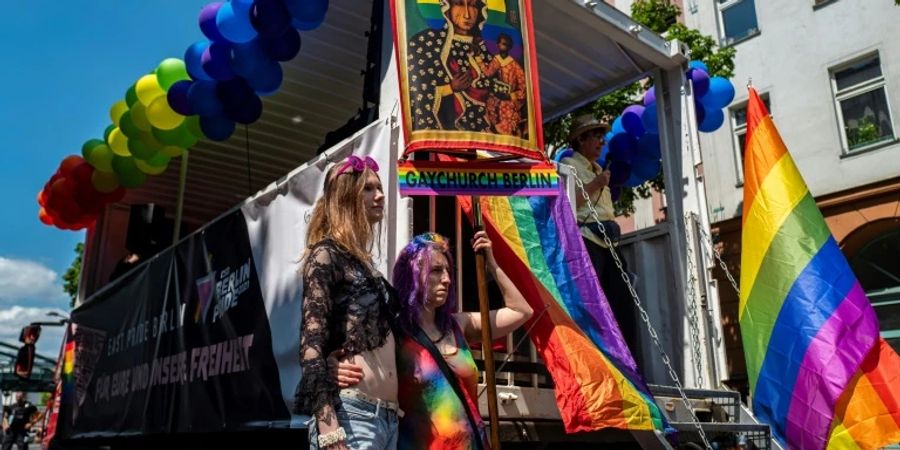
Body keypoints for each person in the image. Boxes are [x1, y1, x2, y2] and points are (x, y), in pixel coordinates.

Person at [335, 231, 533, 449]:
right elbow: (355, 358)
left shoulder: (460, 325)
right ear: (412, 274)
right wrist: (330, 364)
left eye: (448, 271)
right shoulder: (394, 332)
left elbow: (522, 311)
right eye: (436, 271)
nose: (447, 279)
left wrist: (491, 263)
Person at [293, 155, 399, 450]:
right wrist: (329, 430)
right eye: (368, 189)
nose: (379, 196)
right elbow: (311, 348)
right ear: (345, 196)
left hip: (388, 420)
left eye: (379, 188)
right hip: (352, 418)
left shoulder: (368, 267)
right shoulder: (326, 255)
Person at [559, 114, 638, 357]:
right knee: (593, 301)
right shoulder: (570, 166)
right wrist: (596, 183)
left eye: (602, 137)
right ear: (581, 139)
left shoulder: (598, 168)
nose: (601, 142)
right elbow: (570, 203)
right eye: (596, 136)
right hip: (588, 241)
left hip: (608, 240)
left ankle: (625, 356)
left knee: (622, 301)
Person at [407, 0, 495, 132]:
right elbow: (417, 91)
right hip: (442, 144)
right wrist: (450, 88)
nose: (467, 14)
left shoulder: (485, 52)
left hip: (485, 143)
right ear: (447, 8)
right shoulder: (427, 43)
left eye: (472, 5)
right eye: (459, 4)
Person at [484, 33, 527, 137]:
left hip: (509, 100)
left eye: (505, 44)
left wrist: (511, 96)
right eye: (501, 43)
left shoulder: (514, 66)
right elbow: (488, 72)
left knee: (506, 123)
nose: (502, 46)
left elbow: (523, 87)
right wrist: (477, 59)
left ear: (509, 46)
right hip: (496, 96)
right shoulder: (497, 59)